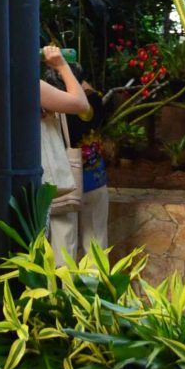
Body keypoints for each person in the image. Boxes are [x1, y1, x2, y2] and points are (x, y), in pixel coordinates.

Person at [40, 45, 89, 264]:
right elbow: (81, 104)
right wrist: (62, 66)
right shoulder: (38, 91)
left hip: (27, 185)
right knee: (64, 252)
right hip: (52, 183)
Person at [67, 76, 109, 256]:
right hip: (95, 180)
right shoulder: (95, 101)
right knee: (96, 243)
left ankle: (65, 284)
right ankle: (96, 284)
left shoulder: (58, 105)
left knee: (64, 243)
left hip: (66, 183)